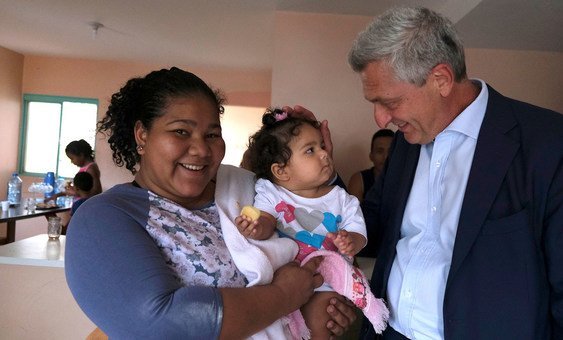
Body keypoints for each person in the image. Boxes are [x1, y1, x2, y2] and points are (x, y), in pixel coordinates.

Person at [64, 67, 357, 339]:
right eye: (181, 131)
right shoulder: (105, 216)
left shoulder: (247, 188)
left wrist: (312, 161)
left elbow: (322, 224)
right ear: (142, 135)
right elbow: (161, 322)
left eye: (212, 134)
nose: (201, 149)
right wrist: (285, 295)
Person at [342, 6, 563, 339]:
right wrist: (314, 181)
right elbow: (373, 221)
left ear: (441, 80)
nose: (381, 120)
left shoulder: (547, 143)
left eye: (389, 101)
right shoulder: (406, 142)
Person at [235, 108, 388, 338]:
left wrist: (351, 242)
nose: (324, 154)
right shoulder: (271, 192)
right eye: (310, 150)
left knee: (320, 321)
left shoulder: (341, 198)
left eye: (322, 146)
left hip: (323, 280)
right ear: (281, 170)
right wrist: (256, 227)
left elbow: (358, 232)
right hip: (280, 278)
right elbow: (266, 219)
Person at [348, 129, 395, 203]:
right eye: (380, 151)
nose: (386, 157)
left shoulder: (405, 179)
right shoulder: (359, 180)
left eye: (390, 151)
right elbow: (354, 212)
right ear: (371, 156)